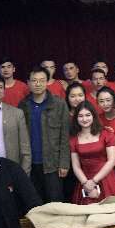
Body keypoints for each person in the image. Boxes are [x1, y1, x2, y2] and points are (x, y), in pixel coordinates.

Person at [18, 67, 70, 203]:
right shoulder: (23, 105)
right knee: (35, 203)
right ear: (28, 83)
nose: (38, 84)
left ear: (47, 82)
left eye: (41, 80)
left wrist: (64, 163)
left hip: (53, 164)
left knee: (55, 203)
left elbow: (65, 135)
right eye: (34, 80)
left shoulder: (59, 104)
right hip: (30, 164)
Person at [69, 102, 115, 203]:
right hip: (85, 179)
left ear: (93, 116)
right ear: (76, 118)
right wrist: (86, 183)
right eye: (80, 116)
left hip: (106, 177)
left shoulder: (106, 134)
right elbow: (76, 166)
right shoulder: (73, 139)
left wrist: (94, 181)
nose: (84, 119)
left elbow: (112, 160)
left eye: (88, 115)